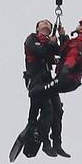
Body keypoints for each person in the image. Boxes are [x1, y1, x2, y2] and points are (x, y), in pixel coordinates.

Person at [34, 17, 82, 157]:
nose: (77, 26)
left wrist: (65, 68)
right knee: (57, 110)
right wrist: (62, 36)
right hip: (70, 81)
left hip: (64, 79)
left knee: (38, 93)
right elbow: (65, 51)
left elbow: (71, 55)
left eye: (80, 25)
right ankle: (56, 143)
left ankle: (43, 137)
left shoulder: (78, 44)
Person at [18, 19, 61, 156]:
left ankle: (56, 142)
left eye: (48, 23)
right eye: (42, 23)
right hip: (36, 81)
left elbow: (61, 53)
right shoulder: (32, 39)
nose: (46, 24)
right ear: (37, 28)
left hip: (48, 81)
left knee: (57, 109)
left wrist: (62, 36)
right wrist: (51, 43)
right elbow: (40, 51)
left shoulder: (49, 43)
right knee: (47, 108)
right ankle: (44, 141)